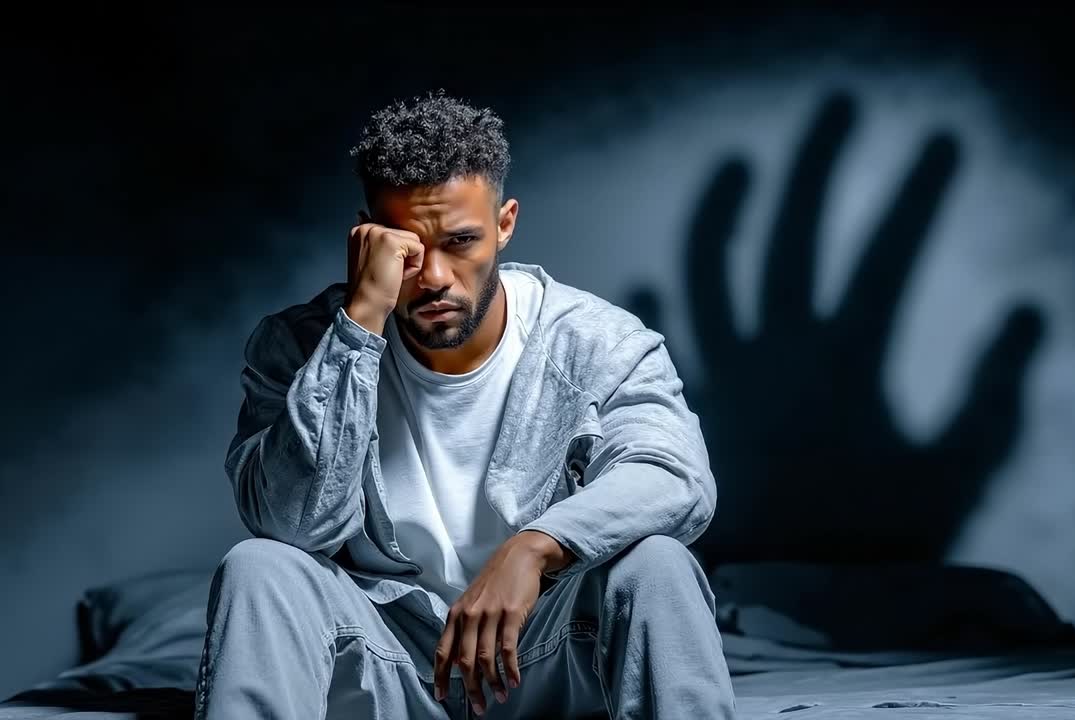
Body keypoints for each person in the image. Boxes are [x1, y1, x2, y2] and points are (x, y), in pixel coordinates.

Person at [193, 90, 737, 720]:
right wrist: (360, 323)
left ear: (505, 223)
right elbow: (293, 525)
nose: (434, 279)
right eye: (409, 250)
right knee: (260, 566)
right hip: (387, 668)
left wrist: (537, 545)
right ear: (367, 238)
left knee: (658, 563)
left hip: (545, 653)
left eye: (460, 242)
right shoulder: (300, 347)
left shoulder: (596, 341)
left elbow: (676, 478)